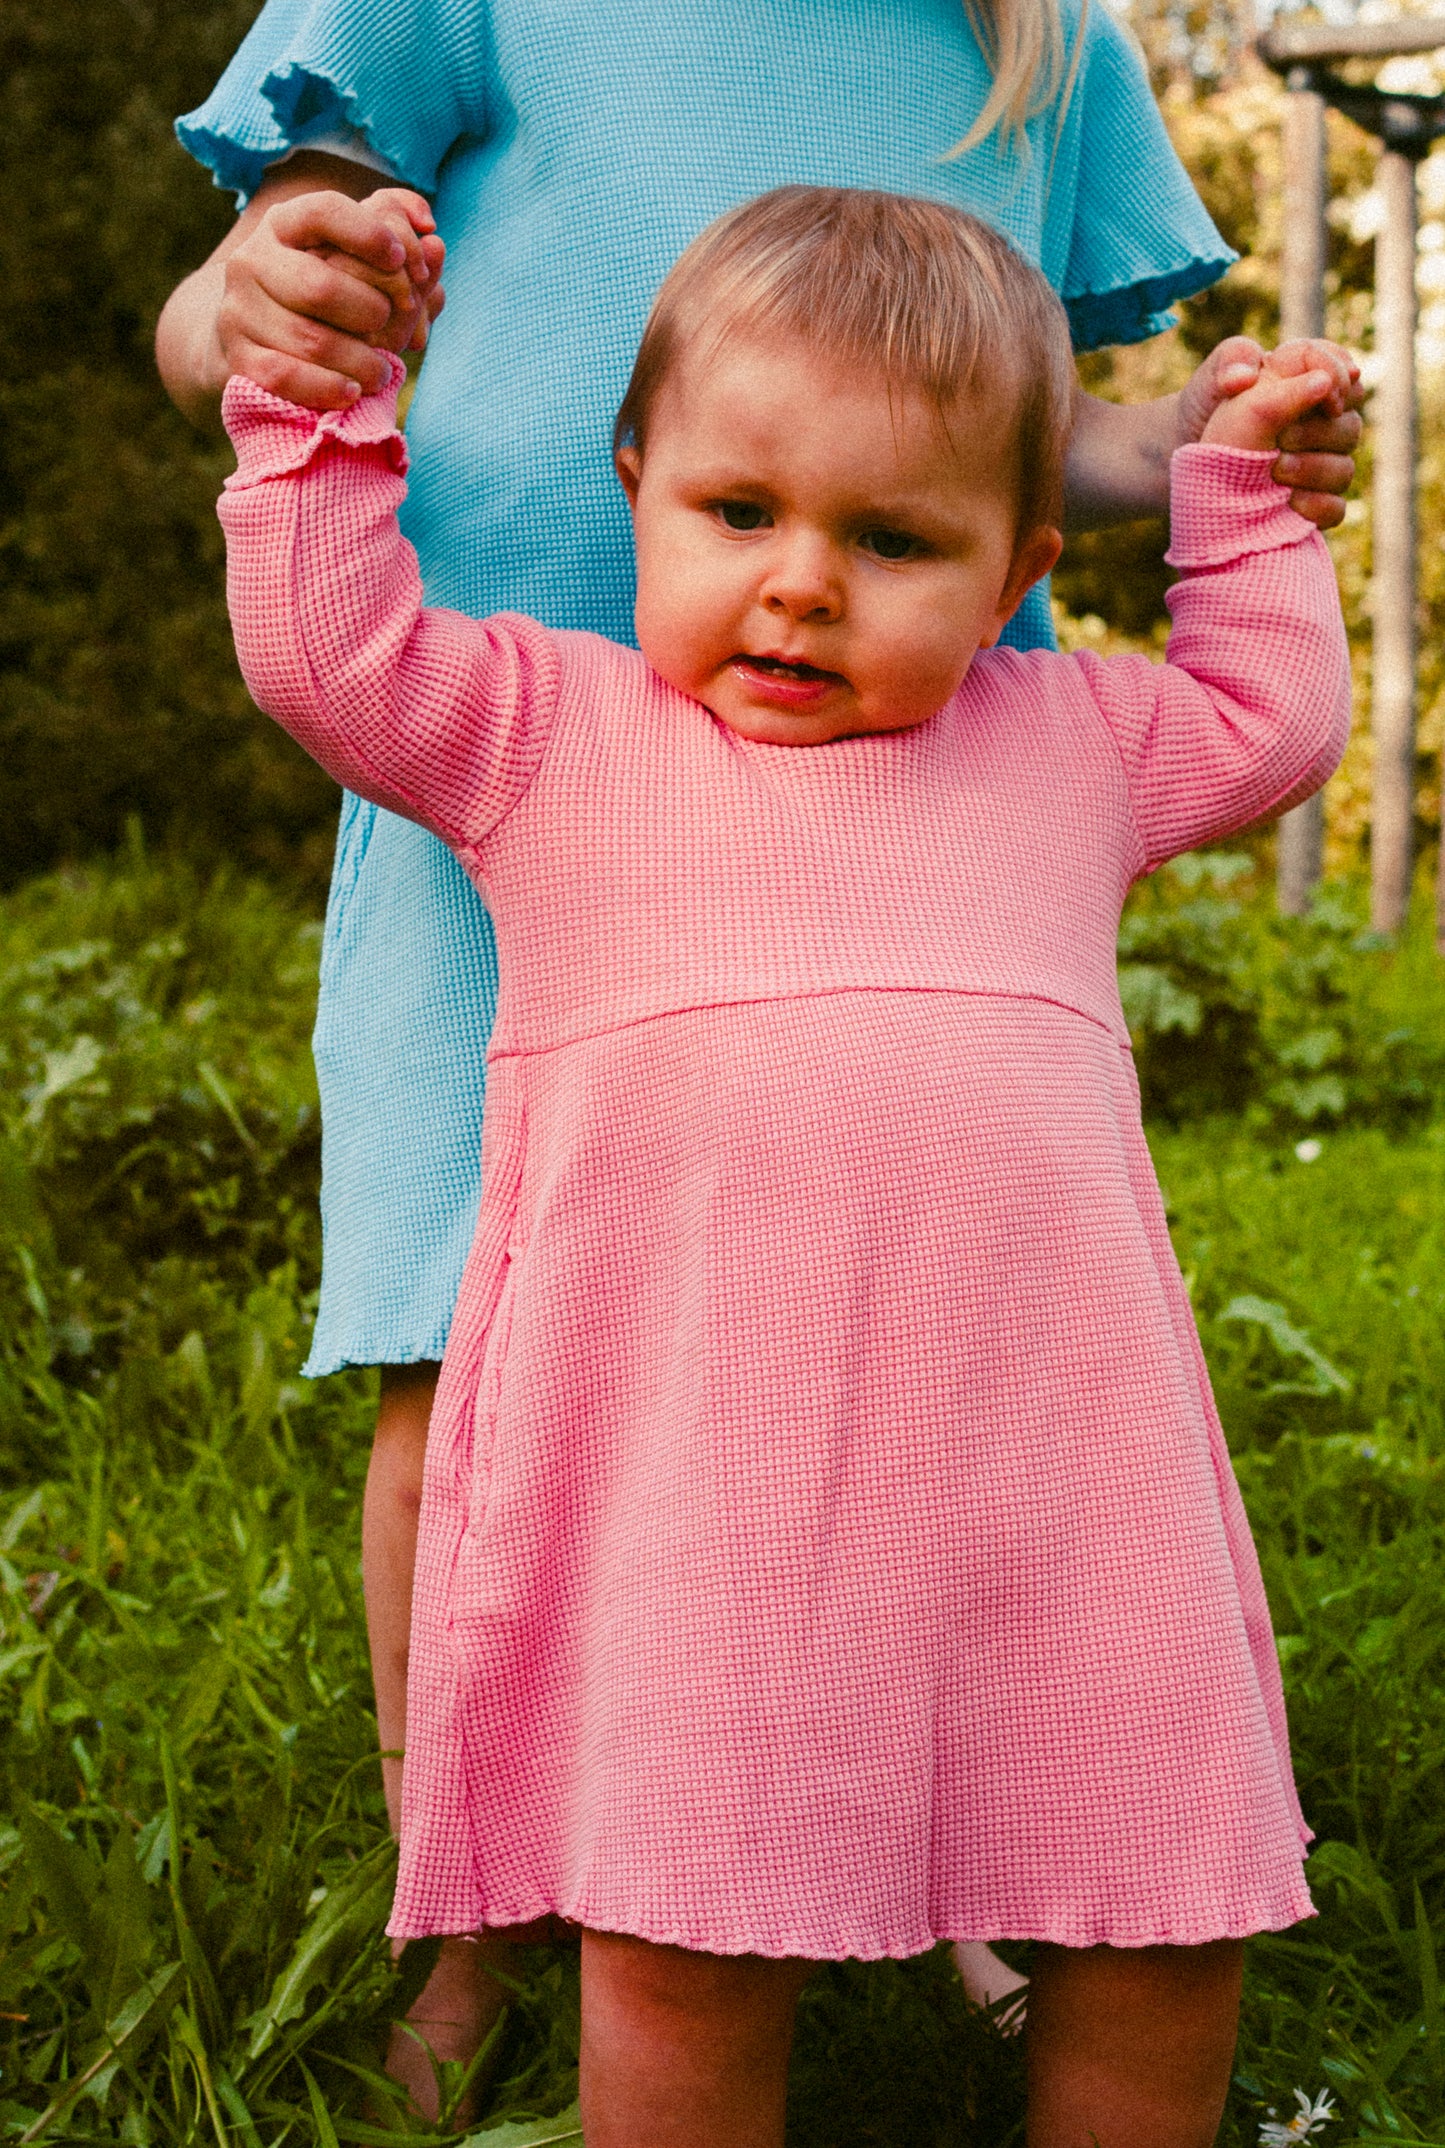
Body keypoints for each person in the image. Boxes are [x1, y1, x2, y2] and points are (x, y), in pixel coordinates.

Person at [156, 0, 1361, 2096]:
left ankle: (947, 1849)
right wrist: (304, 384)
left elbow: (1108, 511)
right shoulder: (543, 724)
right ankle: (480, 1914)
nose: (807, 584)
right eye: (746, 519)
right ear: (659, 485)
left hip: (939, 925)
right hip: (533, 755)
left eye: (884, 547)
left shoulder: (1043, 46)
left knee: (930, 1460)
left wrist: (1233, 479)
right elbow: (322, 595)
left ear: (998, 574)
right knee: (478, 1402)